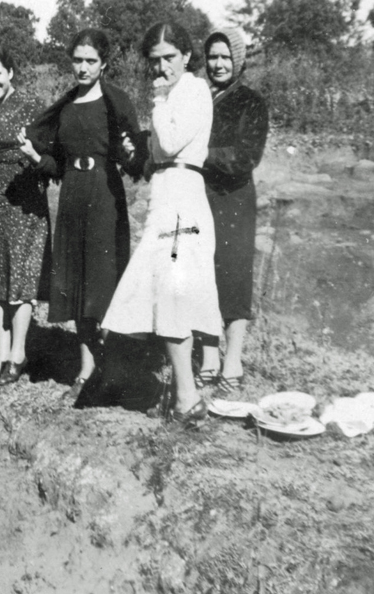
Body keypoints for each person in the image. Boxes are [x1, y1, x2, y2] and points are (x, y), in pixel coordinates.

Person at [100, 22, 221, 426]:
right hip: (166, 192)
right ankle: (183, 395)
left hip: (184, 196)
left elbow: (169, 144)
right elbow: (156, 154)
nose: (161, 67)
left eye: (170, 58)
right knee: (163, 292)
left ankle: (186, 396)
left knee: (170, 293)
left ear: (187, 56)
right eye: (155, 61)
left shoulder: (193, 90)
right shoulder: (172, 95)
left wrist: (155, 102)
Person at [22, 29, 146, 401]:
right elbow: (56, 164)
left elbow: (134, 157)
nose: (83, 67)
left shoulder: (117, 101)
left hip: (105, 195)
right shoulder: (65, 105)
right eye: (77, 60)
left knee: (103, 280)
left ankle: (113, 364)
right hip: (73, 195)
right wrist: (35, 158)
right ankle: (86, 366)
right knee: (77, 281)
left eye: (90, 60)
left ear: (104, 63)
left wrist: (129, 153)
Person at [0, 45, 51, 386]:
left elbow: (46, 153)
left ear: (11, 72)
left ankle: (19, 353)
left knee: (20, 278)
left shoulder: (32, 106)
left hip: (22, 198)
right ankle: (1, 354)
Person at [193, 26, 269, 396]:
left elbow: (245, 155)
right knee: (203, 273)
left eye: (225, 57)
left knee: (233, 274)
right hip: (200, 195)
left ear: (237, 60)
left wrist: (201, 154)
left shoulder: (250, 101)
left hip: (234, 197)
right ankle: (208, 356)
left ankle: (233, 359)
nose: (218, 64)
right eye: (212, 57)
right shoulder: (200, 97)